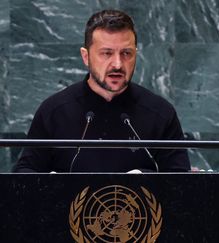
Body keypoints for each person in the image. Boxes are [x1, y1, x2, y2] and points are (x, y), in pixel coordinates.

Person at [13, 9, 190, 173]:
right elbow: (24, 176)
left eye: (126, 53)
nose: (118, 64)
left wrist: (145, 178)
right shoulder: (54, 111)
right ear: (86, 56)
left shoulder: (160, 113)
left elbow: (180, 182)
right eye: (106, 53)